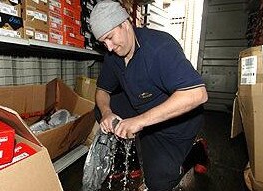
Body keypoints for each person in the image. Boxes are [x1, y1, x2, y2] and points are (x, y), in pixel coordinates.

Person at [89, 0, 208, 190]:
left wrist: (139, 121)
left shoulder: (159, 47)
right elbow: (102, 90)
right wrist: (106, 113)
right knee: (102, 110)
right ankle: (135, 158)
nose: (109, 47)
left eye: (110, 37)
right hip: (143, 108)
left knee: (158, 183)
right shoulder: (113, 56)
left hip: (176, 124)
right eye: (104, 42)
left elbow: (197, 94)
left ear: (125, 23)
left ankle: (196, 152)